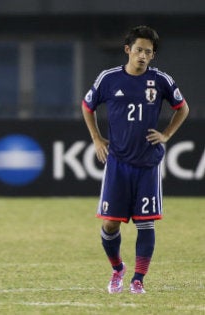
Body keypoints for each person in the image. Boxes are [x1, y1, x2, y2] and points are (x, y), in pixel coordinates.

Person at [82, 25, 189, 294]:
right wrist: (96, 138)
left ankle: (138, 279)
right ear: (128, 50)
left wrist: (166, 134)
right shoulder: (108, 79)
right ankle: (118, 268)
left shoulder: (161, 80)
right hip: (118, 163)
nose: (143, 55)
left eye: (148, 52)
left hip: (147, 164)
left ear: (152, 56)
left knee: (146, 222)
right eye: (139, 50)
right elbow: (87, 106)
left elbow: (182, 108)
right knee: (109, 223)